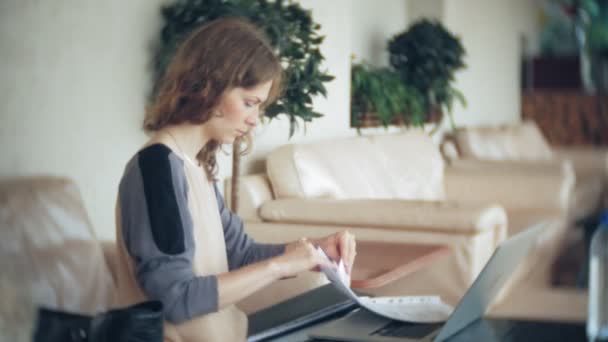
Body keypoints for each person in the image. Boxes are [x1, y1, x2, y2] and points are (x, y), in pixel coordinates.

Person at [113, 17, 357, 342]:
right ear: (210, 86)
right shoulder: (157, 168)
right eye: (249, 103)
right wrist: (280, 266)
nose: (254, 120)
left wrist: (314, 252)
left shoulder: (196, 164)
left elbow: (238, 253)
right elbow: (173, 299)